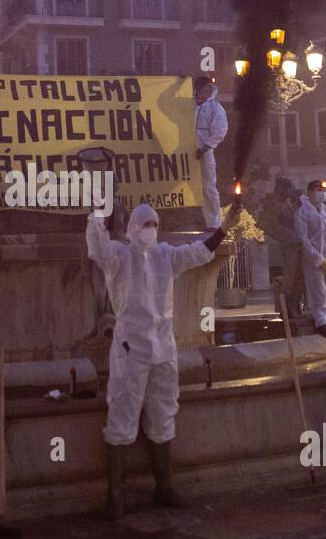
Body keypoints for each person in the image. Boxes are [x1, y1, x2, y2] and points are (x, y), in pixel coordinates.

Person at [87, 200, 241, 519]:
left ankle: (165, 486)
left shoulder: (166, 256)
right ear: (132, 228)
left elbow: (200, 251)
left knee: (164, 414)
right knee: (122, 414)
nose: (151, 230)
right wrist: (96, 217)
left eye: (155, 224)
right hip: (131, 350)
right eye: (145, 225)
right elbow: (97, 248)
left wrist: (225, 227)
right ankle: (115, 494)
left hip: (163, 350)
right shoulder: (119, 255)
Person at [295, 179, 326, 343]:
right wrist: (318, 259)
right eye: (317, 189)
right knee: (318, 296)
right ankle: (323, 332)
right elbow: (303, 239)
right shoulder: (302, 212)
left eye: (323, 189)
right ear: (309, 192)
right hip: (313, 263)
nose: (321, 192)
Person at [260, 177, 305, 320]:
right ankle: (288, 309)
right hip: (289, 248)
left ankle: (294, 305)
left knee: (299, 278)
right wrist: (291, 237)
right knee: (290, 279)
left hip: (296, 247)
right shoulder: (276, 205)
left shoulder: (287, 205)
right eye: (287, 188)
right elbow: (269, 226)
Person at [193, 75, 229, 230]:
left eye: (210, 87)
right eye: (205, 87)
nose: (209, 90)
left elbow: (221, 129)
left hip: (204, 152)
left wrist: (206, 147)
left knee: (208, 187)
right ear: (198, 89)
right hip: (184, 149)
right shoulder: (186, 104)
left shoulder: (215, 107)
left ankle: (214, 223)